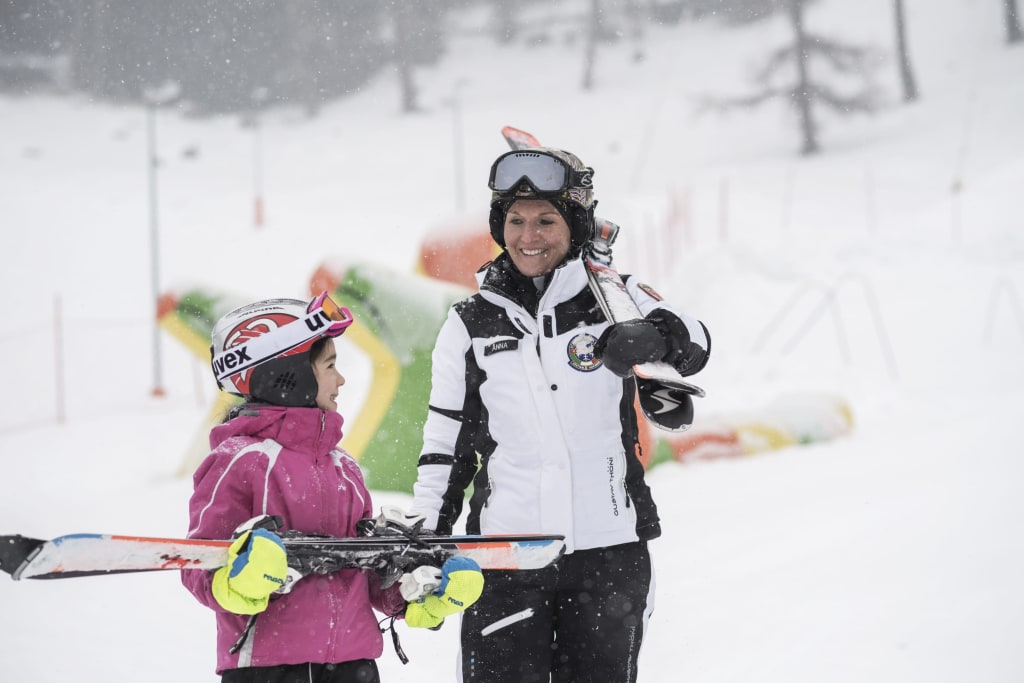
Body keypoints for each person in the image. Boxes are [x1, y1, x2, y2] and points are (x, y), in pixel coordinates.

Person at [410, 147, 711, 682]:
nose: (529, 236)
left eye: (546, 220)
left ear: (574, 224)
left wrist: (656, 336)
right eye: (516, 220)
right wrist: (428, 541)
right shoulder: (470, 323)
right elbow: (445, 445)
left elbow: (696, 338)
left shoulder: (614, 297)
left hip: (608, 554)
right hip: (504, 555)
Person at [182, 292, 484, 683]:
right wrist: (238, 580)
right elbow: (197, 564)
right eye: (329, 366)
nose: (341, 380)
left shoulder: (345, 469)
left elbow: (367, 575)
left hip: (352, 665)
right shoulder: (239, 460)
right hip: (266, 668)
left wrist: (417, 591)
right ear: (288, 374)